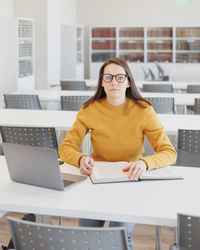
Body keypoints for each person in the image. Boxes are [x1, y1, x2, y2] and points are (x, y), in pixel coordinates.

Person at [59, 57, 177, 250]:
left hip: (130, 181)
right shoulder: (89, 109)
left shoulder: (144, 110)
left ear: (128, 81)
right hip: (96, 180)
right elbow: (65, 148)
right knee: (87, 236)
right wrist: (80, 158)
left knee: (119, 233)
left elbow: (169, 152)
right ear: (102, 82)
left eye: (120, 77)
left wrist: (144, 163)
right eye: (108, 77)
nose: (114, 81)